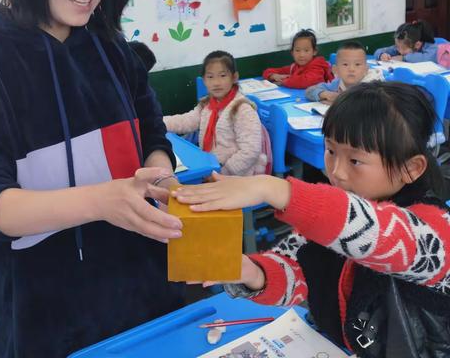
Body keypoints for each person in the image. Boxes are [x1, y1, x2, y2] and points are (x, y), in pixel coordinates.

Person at [0, 0, 185, 356]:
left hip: (145, 298)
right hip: (45, 321)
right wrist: (102, 201)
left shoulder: (112, 48)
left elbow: (153, 134)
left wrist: (161, 178)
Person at [173, 81, 450, 357]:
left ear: (411, 168)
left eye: (355, 161)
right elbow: (297, 271)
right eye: (331, 151)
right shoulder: (331, 213)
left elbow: (376, 234)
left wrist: (273, 188)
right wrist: (252, 272)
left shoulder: (434, 233)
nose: (336, 172)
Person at [164, 51, 267, 176]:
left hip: (237, 176)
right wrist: (157, 122)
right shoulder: (207, 105)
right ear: (204, 80)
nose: (216, 82)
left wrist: (223, 173)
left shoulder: (242, 109)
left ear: (234, 78)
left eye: (222, 75)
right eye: (210, 77)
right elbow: (186, 121)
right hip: (211, 167)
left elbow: (250, 151)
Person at [306, 41, 384, 104]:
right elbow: (309, 91)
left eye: (357, 64)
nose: (351, 69)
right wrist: (326, 94)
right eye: (345, 64)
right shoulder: (337, 83)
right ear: (335, 70)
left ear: (366, 70)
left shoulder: (372, 85)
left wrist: (339, 102)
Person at [262, 29, 333, 89]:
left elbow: (306, 81)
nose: (301, 55)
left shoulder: (317, 67)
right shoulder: (294, 67)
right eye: (297, 50)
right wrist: (273, 76)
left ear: (314, 52)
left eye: (306, 50)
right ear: (292, 52)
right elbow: (268, 71)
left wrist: (283, 81)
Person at [374, 19, 438, 63]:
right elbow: (378, 51)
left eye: (404, 49)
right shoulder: (401, 47)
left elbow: (429, 58)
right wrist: (381, 55)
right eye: (397, 47)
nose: (400, 51)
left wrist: (403, 58)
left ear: (417, 45)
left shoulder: (431, 47)